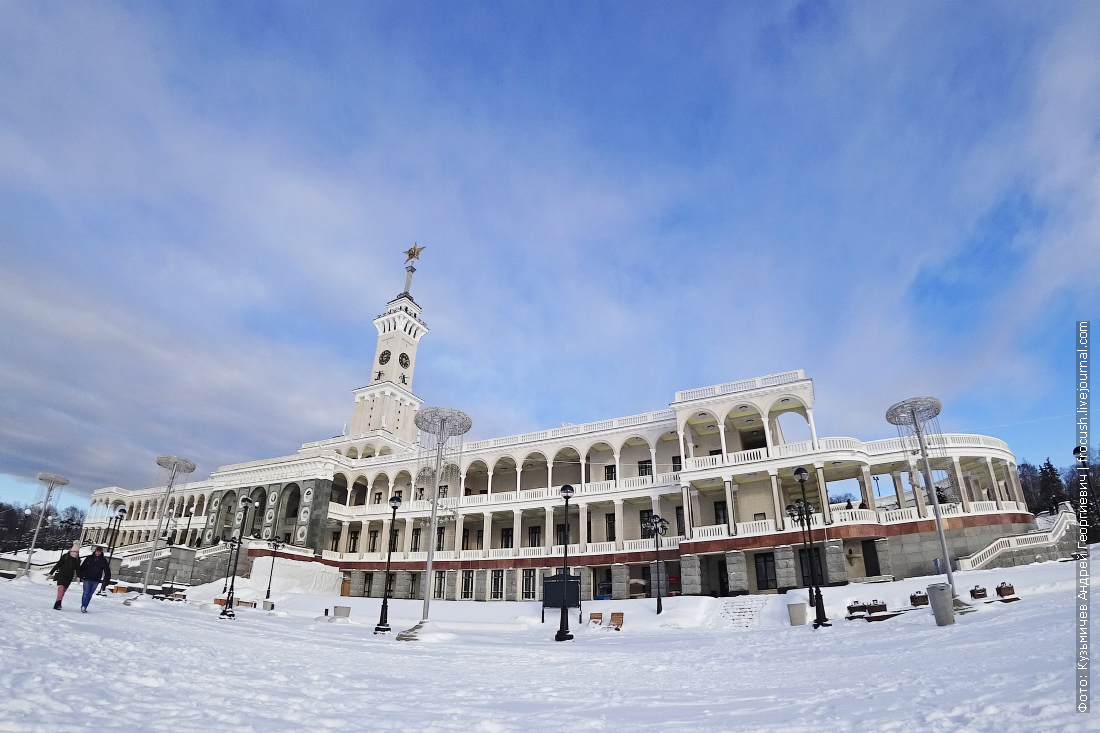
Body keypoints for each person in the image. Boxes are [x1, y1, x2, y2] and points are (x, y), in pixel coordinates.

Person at [48, 542, 82, 610]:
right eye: (74, 551)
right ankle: (58, 603)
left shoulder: (77, 559)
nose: (75, 553)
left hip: (69, 577)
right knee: (61, 589)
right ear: (71, 550)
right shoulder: (65, 556)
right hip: (62, 575)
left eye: (77, 552)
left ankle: (58, 603)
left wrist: (78, 576)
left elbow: (78, 568)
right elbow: (58, 565)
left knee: (63, 591)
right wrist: (51, 573)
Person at [78, 546, 111, 613]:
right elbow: (83, 567)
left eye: (99, 552)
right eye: (97, 551)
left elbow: (107, 570)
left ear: (101, 552)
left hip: (96, 579)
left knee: (90, 594)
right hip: (87, 578)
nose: (98, 553)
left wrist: (107, 579)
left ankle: (85, 606)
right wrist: (81, 575)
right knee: (86, 593)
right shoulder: (89, 558)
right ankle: (83, 606)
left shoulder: (103, 560)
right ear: (95, 551)